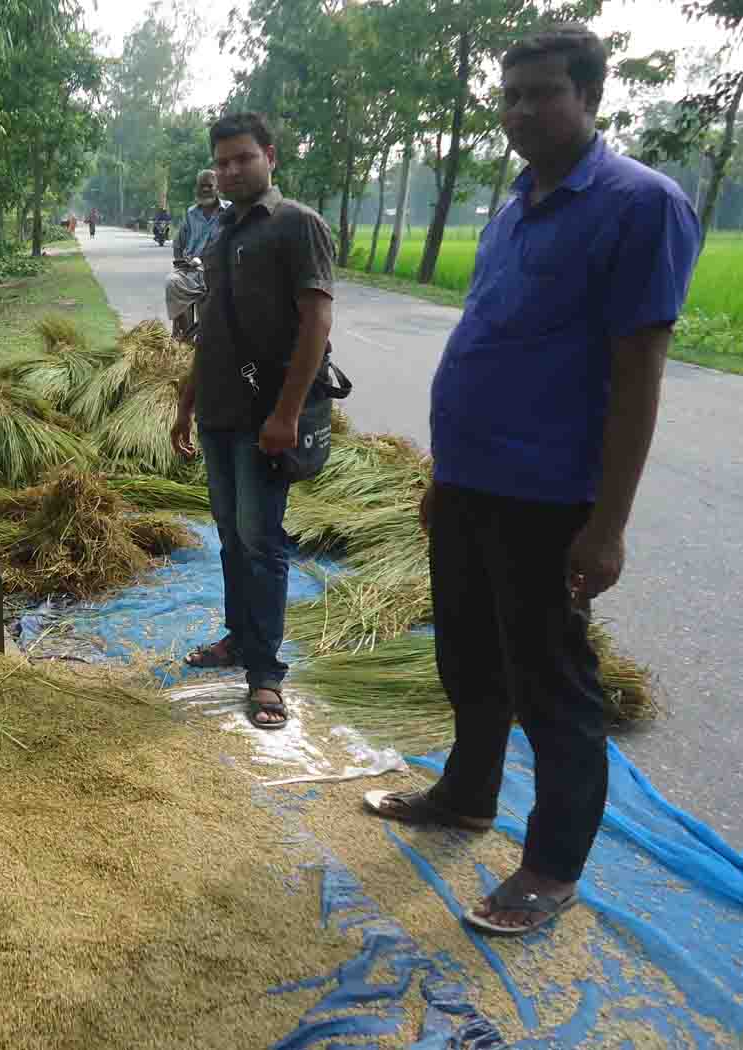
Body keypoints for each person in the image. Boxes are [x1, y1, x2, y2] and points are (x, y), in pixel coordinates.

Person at [362, 25, 701, 937]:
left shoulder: (642, 204)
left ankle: (551, 868)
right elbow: (492, 341)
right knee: (469, 658)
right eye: (509, 97)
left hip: (550, 496)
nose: (518, 113)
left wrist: (608, 524)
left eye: (541, 93)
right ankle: (467, 798)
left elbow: (639, 375)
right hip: (471, 484)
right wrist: (445, 473)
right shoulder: (513, 205)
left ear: (590, 96)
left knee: (554, 685)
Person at [169, 112, 336, 730]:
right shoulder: (216, 233)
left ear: (270, 157)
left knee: (262, 541)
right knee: (231, 534)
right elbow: (210, 330)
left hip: (267, 417)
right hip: (217, 412)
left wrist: (287, 413)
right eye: (222, 161)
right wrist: (186, 406)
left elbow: (317, 322)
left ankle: (265, 675)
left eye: (243, 158)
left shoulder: (297, 225)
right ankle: (239, 638)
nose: (232, 169)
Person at [166, 169, 231, 338]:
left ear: (217, 188)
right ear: (197, 188)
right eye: (202, 186)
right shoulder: (191, 213)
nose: (206, 189)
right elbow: (178, 242)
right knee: (173, 282)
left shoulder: (230, 211)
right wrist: (182, 261)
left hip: (218, 271)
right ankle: (186, 337)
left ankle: (208, 340)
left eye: (210, 186)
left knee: (213, 302)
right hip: (191, 271)